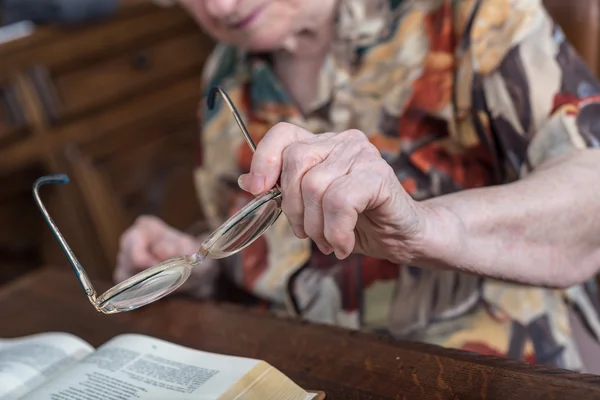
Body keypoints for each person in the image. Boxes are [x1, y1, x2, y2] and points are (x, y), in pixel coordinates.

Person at [114, 0, 600, 372]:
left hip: (478, 367)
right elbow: (258, 236)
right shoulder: (225, 72)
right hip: (301, 368)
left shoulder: (467, 14)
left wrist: (427, 226)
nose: (219, 7)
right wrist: (197, 261)